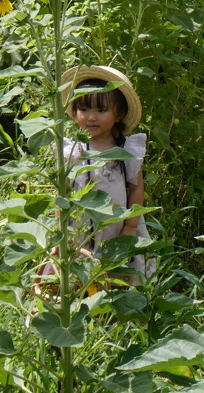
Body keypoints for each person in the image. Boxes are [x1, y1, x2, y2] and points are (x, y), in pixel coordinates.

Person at [62, 64, 156, 284]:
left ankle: (118, 309)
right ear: (74, 112)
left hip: (117, 225)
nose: (91, 117)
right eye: (83, 110)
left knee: (120, 270)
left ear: (119, 114)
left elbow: (136, 187)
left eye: (101, 111)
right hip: (81, 227)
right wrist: (61, 231)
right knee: (79, 272)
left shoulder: (126, 151)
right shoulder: (74, 151)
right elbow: (63, 193)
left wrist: (131, 226)